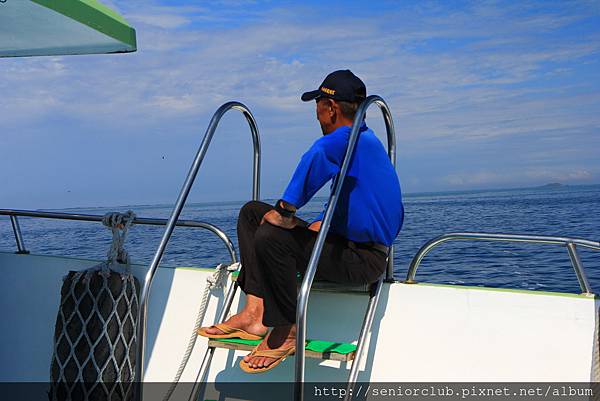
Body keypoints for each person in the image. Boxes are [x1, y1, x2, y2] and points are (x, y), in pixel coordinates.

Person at [198, 69, 404, 373]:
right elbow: (360, 200)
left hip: (362, 260)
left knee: (272, 233)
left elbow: (318, 155)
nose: (317, 115)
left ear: (331, 108)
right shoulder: (364, 144)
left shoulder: (348, 138)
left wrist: (285, 211)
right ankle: (255, 313)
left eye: (318, 106)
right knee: (253, 213)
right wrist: (325, 222)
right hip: (344, 244)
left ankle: (285, 330)